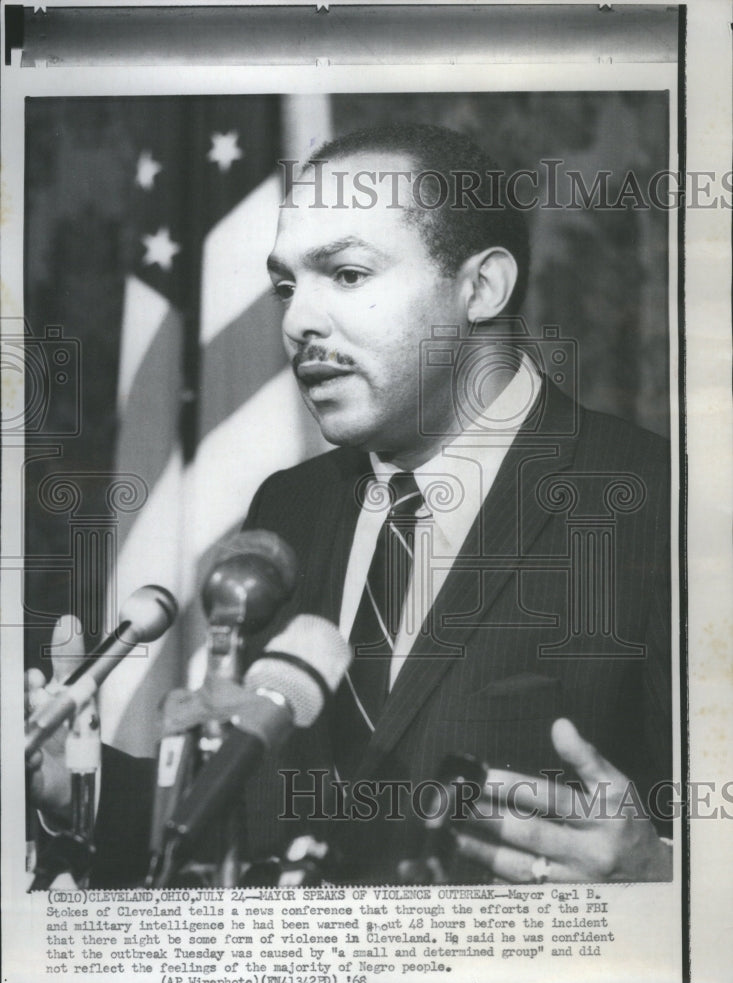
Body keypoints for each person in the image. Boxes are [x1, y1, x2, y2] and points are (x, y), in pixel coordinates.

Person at [27, 123, 672, 886]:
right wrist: (74, 787)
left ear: (480, 287)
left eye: (348, 273)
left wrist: (657, 872)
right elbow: (253, 820)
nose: (296, 321)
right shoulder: (288, 508)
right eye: (286, 286)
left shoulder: (660, 501)